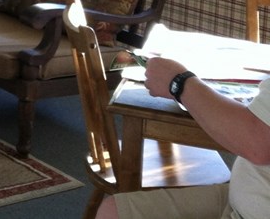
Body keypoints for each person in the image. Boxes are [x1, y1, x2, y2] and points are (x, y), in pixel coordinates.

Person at [97, 56, 270, 219]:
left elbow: (257, 145)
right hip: (245, 194)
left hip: (252, 207)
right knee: (114, 211)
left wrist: (179, 83)